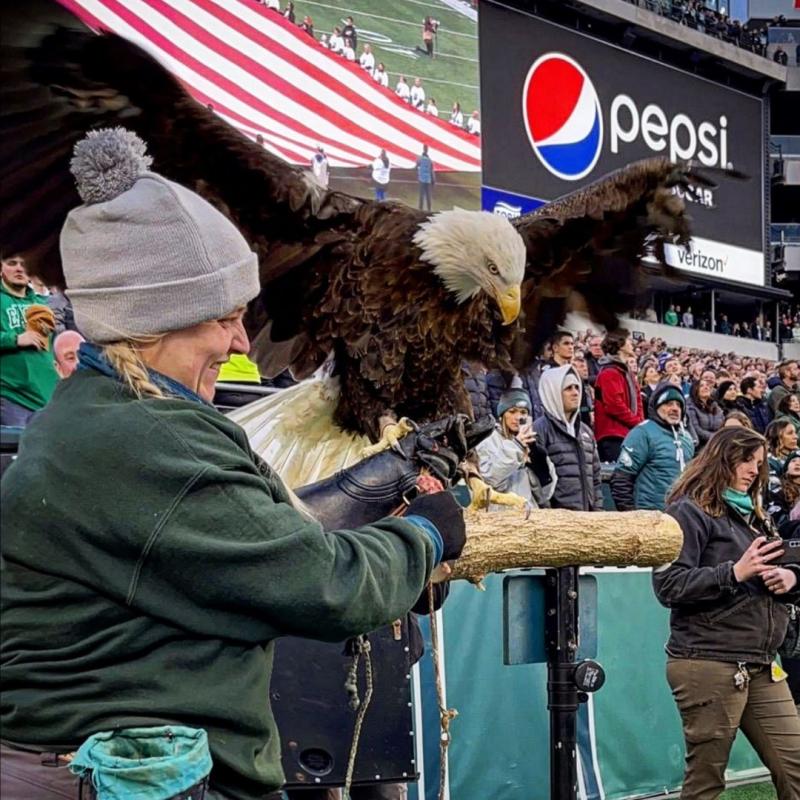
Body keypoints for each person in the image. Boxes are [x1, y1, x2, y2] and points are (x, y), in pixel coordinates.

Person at [0, 128, 467, 798]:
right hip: (129, 778)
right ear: (156, 321)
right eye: (224, 319)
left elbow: (241, 545)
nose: (242, 342)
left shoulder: (84, 416)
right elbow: (320, 585)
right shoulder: (152, 441)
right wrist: (424, 535)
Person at [653, 427, 800, 797]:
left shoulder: (753, 514)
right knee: (706, 780)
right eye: (745, 460)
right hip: (708, 659)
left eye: (760, 463)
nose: (753, 470)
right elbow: (668, 586)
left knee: (796, 764)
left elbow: (757, 574)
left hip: (762, 661)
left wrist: (787, 578)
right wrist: (734, 572)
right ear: (722, 459)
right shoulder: (686, 511)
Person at [610, 382, 695, 512]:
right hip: (649, 518)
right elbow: (621, 479)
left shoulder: (687, 438)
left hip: (680, 517)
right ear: (657, 406)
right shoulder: (642, 433)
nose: (675, 408)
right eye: (668, 403)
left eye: (678, 405)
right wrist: (632, 516)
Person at [0, 253, 59, 427]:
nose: (19, 268)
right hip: (13, 396)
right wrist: (16, 339)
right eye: (12, 263)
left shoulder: (43, 303)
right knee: (19, 452)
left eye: (24, 264)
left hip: (47, 395)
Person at [534, 366, 602, 511]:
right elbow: (538, 482)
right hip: (558, 523)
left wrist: (599, 513)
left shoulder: (586, 432)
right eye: (568, 388)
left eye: (577, 387)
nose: (575, 393)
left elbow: (596, 480)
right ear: (554, 393)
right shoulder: (540, 430)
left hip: (588, 519)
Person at [475, 388, 554, 510]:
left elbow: (545, 495)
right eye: (512, 412)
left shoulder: (531, 442)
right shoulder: (487, 440)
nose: (518, 417)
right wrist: (516, 446)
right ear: (502, 415)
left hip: (528, 516)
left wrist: (541, 467)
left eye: (523, 412)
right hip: (499, 518)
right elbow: (490, 481)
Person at [594, 329, 644, 462]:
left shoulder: (627, 373)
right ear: (620, 345)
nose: (632, 343)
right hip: (613, 436)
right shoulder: (609, 372)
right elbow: (614, 405)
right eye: (628, 340)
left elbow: (638, 400)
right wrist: (638, 422)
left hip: (629, 434)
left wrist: (640, 423)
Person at [686, 378, 723, 451]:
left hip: (717, 443)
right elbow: (697, 429)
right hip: (701, 447)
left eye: (707, 385)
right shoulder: (690, 407)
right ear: (695, 390)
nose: (706, 387)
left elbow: (723, 424)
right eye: (701, 386)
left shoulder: (715, 406)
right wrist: (716, 437)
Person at [416, 143, 435, 212]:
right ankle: (429, 209)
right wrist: (433, 180)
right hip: (428, 180)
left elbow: (416, 166)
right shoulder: (430, 161)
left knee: (421, 195)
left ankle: (420, 209)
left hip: (422, 179)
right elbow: (431, 171)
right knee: (428, 196)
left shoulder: (419, 159)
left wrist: (418, 173)